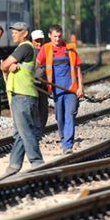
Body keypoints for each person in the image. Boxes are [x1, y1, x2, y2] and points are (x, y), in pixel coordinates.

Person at [0, 22, 44, 173]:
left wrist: (8, 66)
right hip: (24, 95)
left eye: (16, 32)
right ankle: (14, 165)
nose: (13, 34)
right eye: (12, 32)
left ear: (25, 33)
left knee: (25, 131)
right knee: (20, 132)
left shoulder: (25, 47)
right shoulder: (26, 48)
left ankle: (37, 162)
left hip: (23, 95)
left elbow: (4, 65)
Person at [36, 24, 84, 154]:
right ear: (49, 36)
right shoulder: (46, 49)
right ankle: (63, 138)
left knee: (70, 116)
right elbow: (37, 64)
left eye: (59, 36)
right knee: (60, 117)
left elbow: (78, 68)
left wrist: (80, 87)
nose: (57, 39)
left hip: (71, 89)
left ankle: (68, 145)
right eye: (55, 36)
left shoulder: (70, 48)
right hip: (57, 90)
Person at [31, 29, 49, 138]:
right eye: (37, 41)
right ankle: (34, 134)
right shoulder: (29, 52)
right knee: (33, 109)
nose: (39, 43)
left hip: (44, 86)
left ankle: (40, 132)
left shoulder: (47, 51)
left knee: (43, 110)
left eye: (41, 40)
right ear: (32, 41)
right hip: (32, 85)